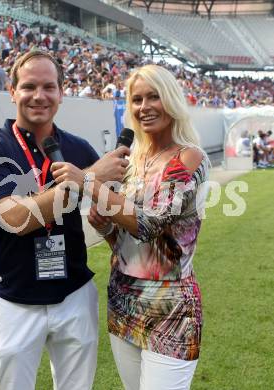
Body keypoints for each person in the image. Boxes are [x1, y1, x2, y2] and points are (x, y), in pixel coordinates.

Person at [0, 50, 129, 390]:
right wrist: (87, 178)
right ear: (11, 92)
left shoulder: (79, 148)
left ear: (61, 92)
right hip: (14, 300)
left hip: (74, 294)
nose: (39, 96)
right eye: (28, 86)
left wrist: (107, 215)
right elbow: (14, 219)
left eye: (48, 86)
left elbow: (120, 214)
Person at [51, 64, 209, 390]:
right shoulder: (133, 161)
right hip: (124, 298)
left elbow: (149, 223)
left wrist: (89, 181)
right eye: (136, 99)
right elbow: (132, 248)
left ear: (172, 100)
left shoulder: (188, 157)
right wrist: (108, 230)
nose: (144, 107)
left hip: (171, 308)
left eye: (154, 97)